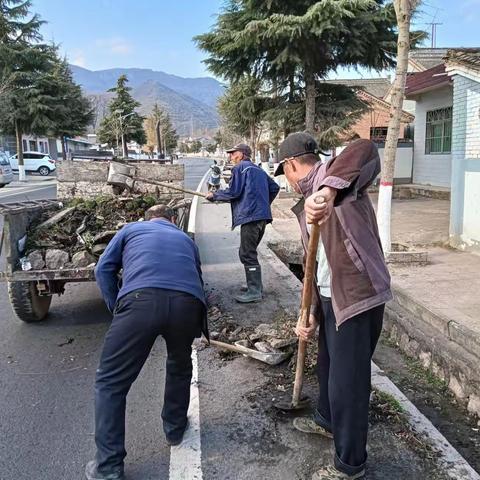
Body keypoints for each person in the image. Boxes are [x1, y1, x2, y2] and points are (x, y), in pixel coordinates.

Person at [275, 132, 392, 480]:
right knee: (327, 367)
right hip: (328, 297)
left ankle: (350, 465)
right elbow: (313, 265)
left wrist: (326, 191)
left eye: (288, 174)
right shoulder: (306, 202)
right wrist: (307, 310)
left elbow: (365, 148)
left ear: (291, 165)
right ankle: (327, 421)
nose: (292, 183)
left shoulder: (339, 180)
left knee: (349, 383)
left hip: (356, 296)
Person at [86, 204, 207, 480]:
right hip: (187, 304)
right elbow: (198, 278)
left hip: (140, 301)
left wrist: (117, 306)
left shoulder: (131, 229)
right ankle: (174, 429)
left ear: (148, 219)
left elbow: (103, 269)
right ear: (173, 219)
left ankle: (108, 467)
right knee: (179, 364)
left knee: (110, 383)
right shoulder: (185, 239)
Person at [206, 143, 280, 303]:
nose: (230, 157)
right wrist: (263, 204)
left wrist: (215, 195)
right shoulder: (258, 169)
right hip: (261, 217)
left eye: (233, 153)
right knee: (248, 252)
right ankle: (255, 286)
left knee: (247, 253)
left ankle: (254, 291)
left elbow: (234, 192)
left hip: (250, 217)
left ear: (242, 154)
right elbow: (274, 187)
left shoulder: (240, 168)